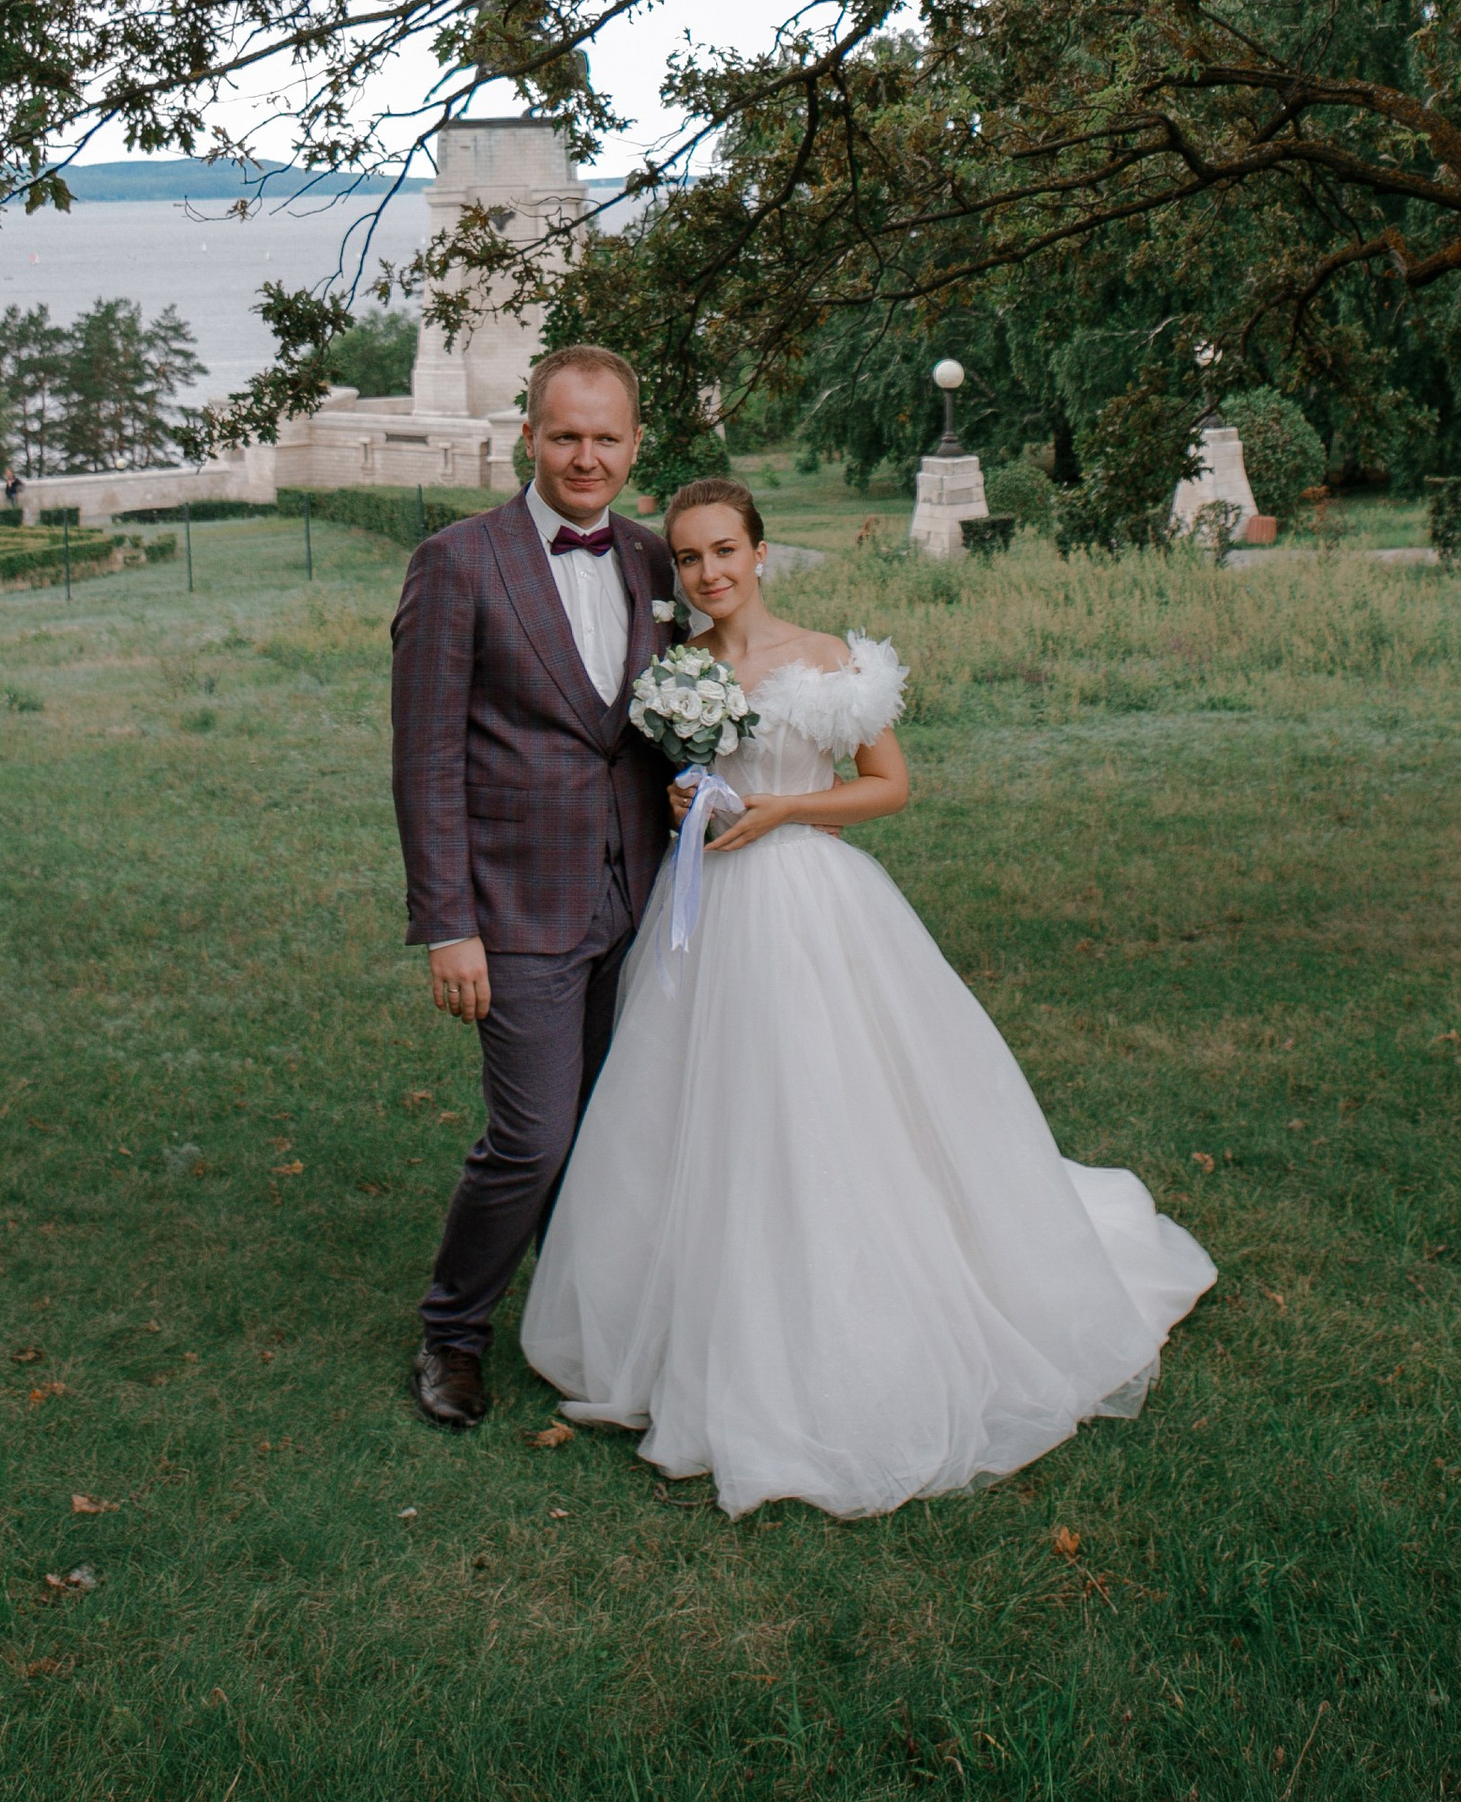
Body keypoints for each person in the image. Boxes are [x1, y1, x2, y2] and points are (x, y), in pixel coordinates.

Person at [521, 476, 1216, 1518]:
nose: (709, 574)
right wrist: (691, 798)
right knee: (706, 1110)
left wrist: (782, 811)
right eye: (690, 558)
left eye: (725, 551)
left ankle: (858, 1311)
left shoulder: (824, 659)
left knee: (827, 1096)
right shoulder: (679, 672)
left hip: (808, 898)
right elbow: (689, 785)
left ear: (760, 551)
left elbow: (888, 784)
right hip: (707, 911)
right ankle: (698, 1319)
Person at [389, 344, 677, 1430]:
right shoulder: (458, 563)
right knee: (534, 1137)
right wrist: (446, 926)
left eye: (607, 438)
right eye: (565, 435)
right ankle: (452, 1329)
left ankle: (587, 1317)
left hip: (638, 900)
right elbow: (424, 763)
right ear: (527, 435)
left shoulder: (653, 562)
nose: (586, 457)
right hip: (514, 909)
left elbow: (654, 728)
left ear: (635, 444)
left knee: (615, 1128)